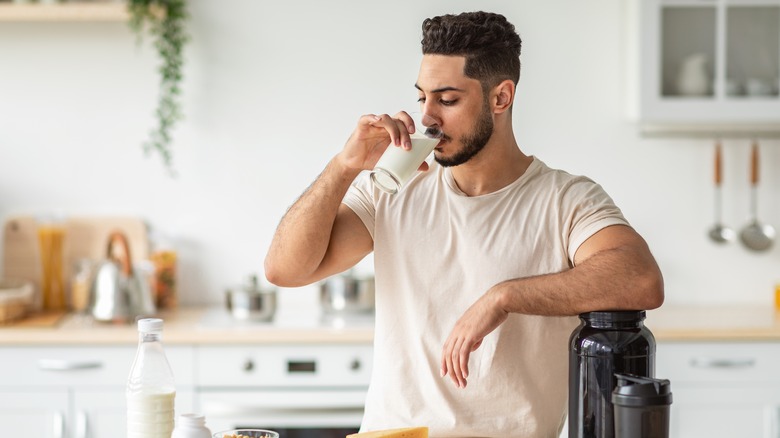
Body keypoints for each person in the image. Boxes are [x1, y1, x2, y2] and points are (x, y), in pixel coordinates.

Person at [264, 11, 664, 438]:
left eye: (447, 100)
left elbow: (640, 279)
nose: (428, 117)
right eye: (422, 98)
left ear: (501, 97)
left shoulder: (565, 199)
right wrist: (343, 167)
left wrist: (503, 296)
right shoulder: (394, 187)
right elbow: (286, 270)